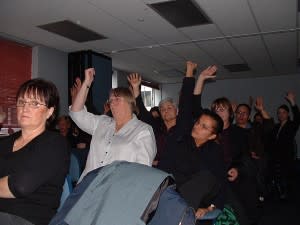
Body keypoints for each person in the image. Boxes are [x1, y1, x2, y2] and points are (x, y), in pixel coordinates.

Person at [0, 78, 70, 225]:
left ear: (49, 111)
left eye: (35, 103)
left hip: (25, 219)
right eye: (22, 102)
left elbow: (20, 186)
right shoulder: (5, 141)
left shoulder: (54, 143)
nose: (25, 108)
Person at [69, 68, 156, 182]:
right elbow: (76, 113)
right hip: (88, 187)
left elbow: (142, 171)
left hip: (116, 191)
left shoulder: (143, 131)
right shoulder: (102, 122)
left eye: (117, 99)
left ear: (130, 103)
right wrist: (87, 83)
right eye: (110, 100)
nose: (112, 103)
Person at [127, 61, 199, 166]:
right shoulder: (156, 127)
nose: (166, 110)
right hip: (155, 172)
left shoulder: (184, 126)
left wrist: (189, 72)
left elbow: (186, 99)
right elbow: (142, 112)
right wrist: (135, 88)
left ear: (177, 110)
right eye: (162, 109)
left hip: (178, 173)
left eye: (169, 107)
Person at [268, 91, 300, 200]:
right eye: (279, 113)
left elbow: (298, 117)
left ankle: (287, 195)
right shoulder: (276, 127)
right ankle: (279, 193)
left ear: (287, 114)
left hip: (286, 156)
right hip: (276, 157)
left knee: (286, 177)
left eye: (283, 112)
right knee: (277, 176)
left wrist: (292, 102)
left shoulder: (291, 125)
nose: (281, 114)